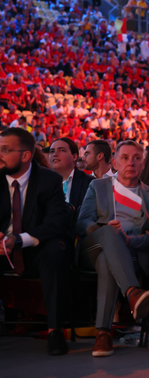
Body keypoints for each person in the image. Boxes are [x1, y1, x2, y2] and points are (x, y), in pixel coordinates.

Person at [76, 140, 149, 357]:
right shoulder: (98, 186)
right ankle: (132, 292)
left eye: (136, 158)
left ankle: (103, 333)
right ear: (114, 162)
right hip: (93, 247)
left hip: (130, 253)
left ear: (143, 164)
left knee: (108, 260)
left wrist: (129, 240)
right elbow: (82, 222)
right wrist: (104, 231)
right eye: (124, 158)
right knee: (110, 235)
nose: (130, 162)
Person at [0, 128, 73, 355]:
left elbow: (57, 223)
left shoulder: (49, 180)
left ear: (25, 155)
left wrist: (18, 240)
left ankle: (55, 330)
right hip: (1, 250)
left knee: (56, 250)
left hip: (34, 250)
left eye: (5, 150)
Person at [48, 137, 93, 212]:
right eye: (52, 151)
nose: (55, 154)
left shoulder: (90, 183)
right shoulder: (40, 182)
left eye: (62, 150)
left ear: (74, 156)